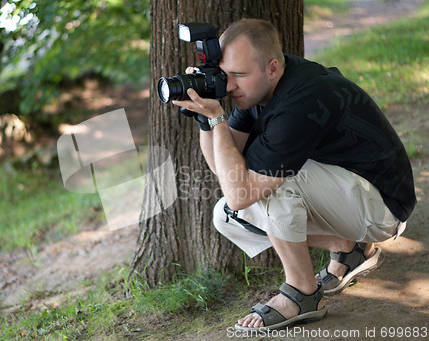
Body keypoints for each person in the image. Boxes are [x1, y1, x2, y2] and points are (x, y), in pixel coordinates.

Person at [172, 19, 416, 331]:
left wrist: (217, 118)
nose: (229, 86)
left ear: (272, 67)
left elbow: (241, 190)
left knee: (271, 186)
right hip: (348, 195)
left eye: (238, 75)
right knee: (228, 216)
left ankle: (303, 294)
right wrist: (206, 121)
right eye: (224, 75)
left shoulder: (300, 102)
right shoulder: (257, 88)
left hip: (383, 206)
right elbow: (225, 167)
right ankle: (348, 247)